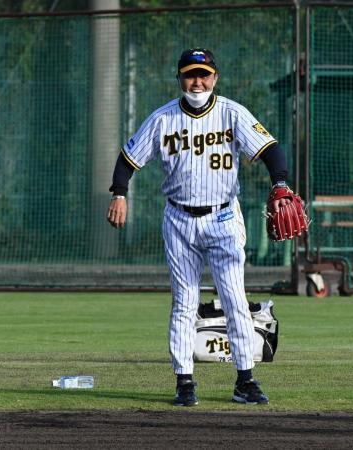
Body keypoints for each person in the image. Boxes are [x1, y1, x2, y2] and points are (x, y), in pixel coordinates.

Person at [106, 48, 293, 407]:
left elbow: (270, 149)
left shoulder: (231, 113)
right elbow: (127, 159)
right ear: (179, 79)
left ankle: (245, 380)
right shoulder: (162, 119)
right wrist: (119, 194)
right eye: (191, 74)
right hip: (178, 220)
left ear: (215, 78)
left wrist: (280, 184)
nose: (197, 81)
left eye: (204, 74)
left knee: (235, 299)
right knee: (184, 302)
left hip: (222, 217)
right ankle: (185, 382)